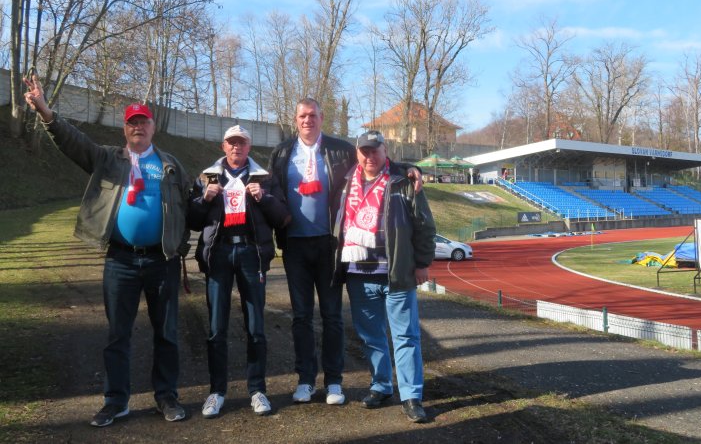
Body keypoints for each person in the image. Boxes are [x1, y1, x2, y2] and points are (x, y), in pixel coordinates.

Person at [23, 74, 191, 427]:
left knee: (167, 333)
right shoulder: (107, 159)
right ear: (124, 128)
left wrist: (183, 242)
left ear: (153, 126)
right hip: (121, 260)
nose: (138, 127)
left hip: (161, 261)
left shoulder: (171, 165)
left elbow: (188, 207)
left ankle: (167, 396)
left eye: (143, 122)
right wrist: (46, 112)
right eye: (132, 122)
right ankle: (116, 401)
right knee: (118, 335)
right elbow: (74, 142)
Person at [269, 98, 423, 406]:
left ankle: (334, 381)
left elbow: (375, 163)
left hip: (330, 244)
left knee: (332, 315)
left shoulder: (339, 149)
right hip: (295, 245)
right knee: (301, 316)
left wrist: (410, 168)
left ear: (322, 117)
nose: (308, 120)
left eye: (313, 115)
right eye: (302, 116)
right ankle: (305, 379)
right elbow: (271, 189)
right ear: (295, 119)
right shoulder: (282, 152)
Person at [333, 130, 436, 423]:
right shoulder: (345, 182)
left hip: (396, 272)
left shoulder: (403, 181)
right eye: (364, 151)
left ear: (385, 150)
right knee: (371, 336)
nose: (369, 156)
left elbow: (425, 225)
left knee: (406, 337)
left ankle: (411, 396)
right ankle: (381, 385)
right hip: (358, 273)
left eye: (375, 150)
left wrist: (422, 263)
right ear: (357, 153)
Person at [188, 125, 290, 418]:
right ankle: (216, 392)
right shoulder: (207, 177)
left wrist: (264, 198)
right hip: (219, 253)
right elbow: (191, 219)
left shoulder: (264, 178)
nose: (236, 147)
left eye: (242, 143)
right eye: (231, 143)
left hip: (250, 253)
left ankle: (257, 390)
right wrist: (205, 199)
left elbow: (283, 216)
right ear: (223, 146)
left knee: (255, 326)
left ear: (249, 146)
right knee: (216, 328)